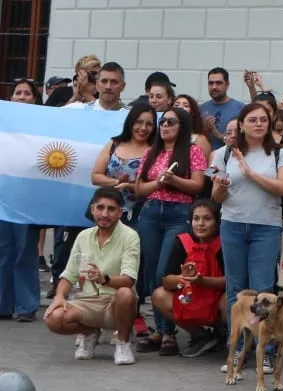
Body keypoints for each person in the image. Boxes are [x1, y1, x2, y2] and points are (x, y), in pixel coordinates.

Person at [131, 105, 207, 353]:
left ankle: (169, 330)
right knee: (152, 271)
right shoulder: (151, 153)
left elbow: (198, 186)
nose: (164, 126)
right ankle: (163, 331)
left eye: (171, 122)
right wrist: (158, 182)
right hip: (152, 211)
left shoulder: (193, 151)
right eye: (162, 122)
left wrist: (174, 180)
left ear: (182, 126)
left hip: (178, 213)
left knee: (166, 270)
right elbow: (139, 189)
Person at [210, 100, 283, 314]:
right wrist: (221, 186)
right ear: (241, 125)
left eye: (264, 120)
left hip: (266, 227)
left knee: (263, 288)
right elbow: (216, 197)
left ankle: (263, 346)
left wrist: (251, 174)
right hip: (232, 224)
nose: (259, 124)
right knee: (235, 288)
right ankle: (236, 344)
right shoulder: (224, 153)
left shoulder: (280, 153)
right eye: (253, 120)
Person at [43, 187, 141, 365]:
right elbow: (69, 275)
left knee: (125, 293)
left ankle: (123, 342)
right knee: (53, 318)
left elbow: (129, 279)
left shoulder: (130, 236)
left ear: (120, 213)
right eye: (100, 208)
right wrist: (59, 296)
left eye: (111, 209)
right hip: (87, 302)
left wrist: (104, 278)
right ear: (92, 209)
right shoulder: (83, 236)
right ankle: (89, 333)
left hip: (115, 304)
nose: (105, 214)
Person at [149, 198, 225, 359]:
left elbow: (232, 281)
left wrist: (202, 281)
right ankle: (201, 336)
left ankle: (226, 333)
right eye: (196, 219)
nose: (201, 224)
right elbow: (166, 280)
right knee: (158, 295)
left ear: (217, 222)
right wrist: (182, 278)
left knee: (232, 300)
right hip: (190, 296)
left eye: (207, 219)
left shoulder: (225, 243)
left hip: (216, 299)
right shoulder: (182, 241)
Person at [0, 79, 44, 323]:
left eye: (28, 93)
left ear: (35, 99)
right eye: (18, 93)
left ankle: (26, 306)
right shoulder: (2, 124)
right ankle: (3, 304)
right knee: (3, 250)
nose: (23, 96)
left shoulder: (43, 126)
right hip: (2, 194)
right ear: (11, 98)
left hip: (29, 197)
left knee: (25, 250)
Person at [91, 102, 156, 221]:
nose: (143, 128)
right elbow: (95, 177)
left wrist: (129, 186)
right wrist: (117, 181)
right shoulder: (114, 144)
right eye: (139, 122)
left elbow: (155, 185)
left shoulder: (156, 151)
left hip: (141, 214)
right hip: (109, 213)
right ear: (130, 122)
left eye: (149, 124)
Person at [200, 67, 245, 137]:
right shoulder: (200, 109)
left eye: (219, 83)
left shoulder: (241, 108)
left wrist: (216, 133)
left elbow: (245, 139)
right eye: (211, 83)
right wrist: (204, 130)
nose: (214, 87)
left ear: (227, 84)